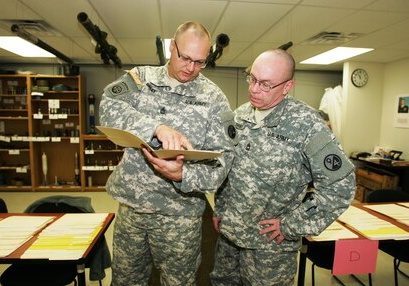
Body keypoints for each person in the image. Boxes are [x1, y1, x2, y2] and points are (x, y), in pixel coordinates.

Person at [99, 21, 236, 286]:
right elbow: (108, 107)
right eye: (184, 57)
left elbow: (223, 161)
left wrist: (185, 174)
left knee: (178, 282)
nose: (190, 67)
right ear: (172, 47)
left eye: (199, 61)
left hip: (181, 217)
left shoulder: (214, 98)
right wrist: (154, 127)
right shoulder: (140, 79)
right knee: (126, 280)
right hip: (133, 208)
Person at [210, 49, 355, 286]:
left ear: (287, 87)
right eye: (252, 79)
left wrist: (292, 225)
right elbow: (229, 169)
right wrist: (221, 207)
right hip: (229, 237)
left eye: (266, 84)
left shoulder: (307, 124)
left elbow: (340, 187)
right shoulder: (240, 115)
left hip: (269, 248)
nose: (254, 89)